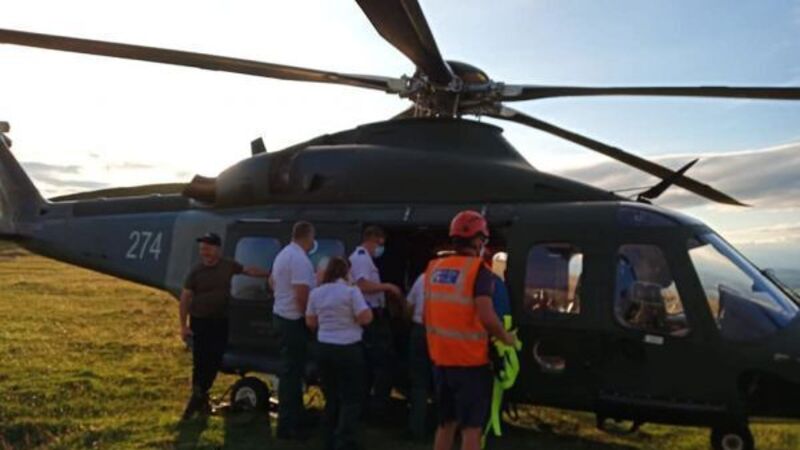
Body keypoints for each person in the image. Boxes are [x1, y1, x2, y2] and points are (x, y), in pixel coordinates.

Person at [424, 211, 516, 450]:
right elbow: (486, 315)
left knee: (445, 424)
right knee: (471, 429)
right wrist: (506, 338)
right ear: (478, 240)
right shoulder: (479, 271)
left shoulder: (434, 268)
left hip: (441, 360)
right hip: (470, 364)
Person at [179, 232, 269, 420]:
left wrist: (269, 274)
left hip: (220, 320)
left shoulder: (228, 265)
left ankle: (201, 394)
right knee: (201, 360)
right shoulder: (196, 272)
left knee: (216, 358)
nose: (204, 252)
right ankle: (197, 396)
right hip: (200, 320)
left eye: (207, 248)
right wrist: (183, 325)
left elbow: (247, 270)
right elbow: (185, 297)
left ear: (217, 250)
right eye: (202, 249)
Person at [306, 257, 373, 450]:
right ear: (345, 272)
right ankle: (344, 440)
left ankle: (327, 436)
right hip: (348, 347)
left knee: (331, 393)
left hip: (324, 346)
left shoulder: (316, 293)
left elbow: (311, 322)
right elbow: (365, 318)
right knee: (351, 397)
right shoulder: (351, 292)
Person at [348, 225, 402, 412]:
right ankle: (378, 405)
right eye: (379, 243)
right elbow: (362, 284)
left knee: (376, 360)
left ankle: (373, 402)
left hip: (374, 312)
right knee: (382, 360)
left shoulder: (365, 259)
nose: (380, 247)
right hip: (371, 314)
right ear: (371, 239)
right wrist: (387, 287)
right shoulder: (362, 258)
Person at [271, 221, 317, 439]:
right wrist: (309, 319)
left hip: (281, 315)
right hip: (293, 321)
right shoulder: (299, 259)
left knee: (293, 371)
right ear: (308, 237)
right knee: (291, 374)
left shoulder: (284, 254)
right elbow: (301, 294)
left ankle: (295, 416)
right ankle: (288, 425)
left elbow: (272, 282)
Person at [406, 271, 432, 440]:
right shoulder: (460, 279)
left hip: (419, 331)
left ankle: (416, 428)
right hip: (444, 334)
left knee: (419, 383)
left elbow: (409, 305)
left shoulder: (423, 277)